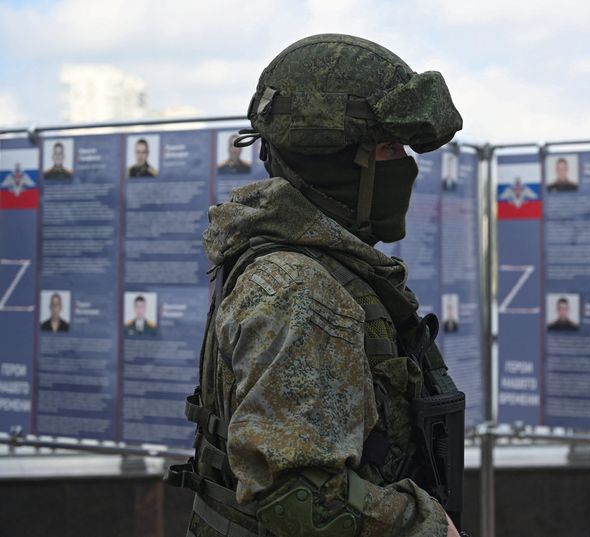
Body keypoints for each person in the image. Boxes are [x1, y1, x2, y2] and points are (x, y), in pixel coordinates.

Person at [167, 34, 466, 537]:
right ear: (335, 160)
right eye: (389, 148)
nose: (406, 167)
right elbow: (300, 501)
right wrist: (428, 528)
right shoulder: (303, 289)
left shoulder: (288, 261)